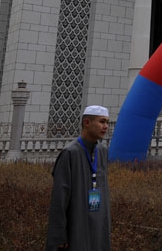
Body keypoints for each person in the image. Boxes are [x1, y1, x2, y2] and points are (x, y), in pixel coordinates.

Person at [46, 105, 111, 251]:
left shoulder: (102, 151)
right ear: (87, 123)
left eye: (107, 122)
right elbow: (59, 199)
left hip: (98, 225)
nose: (106, 126)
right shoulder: (70, 154)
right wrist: (59, 236)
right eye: (102, 122)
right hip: (77, 224)